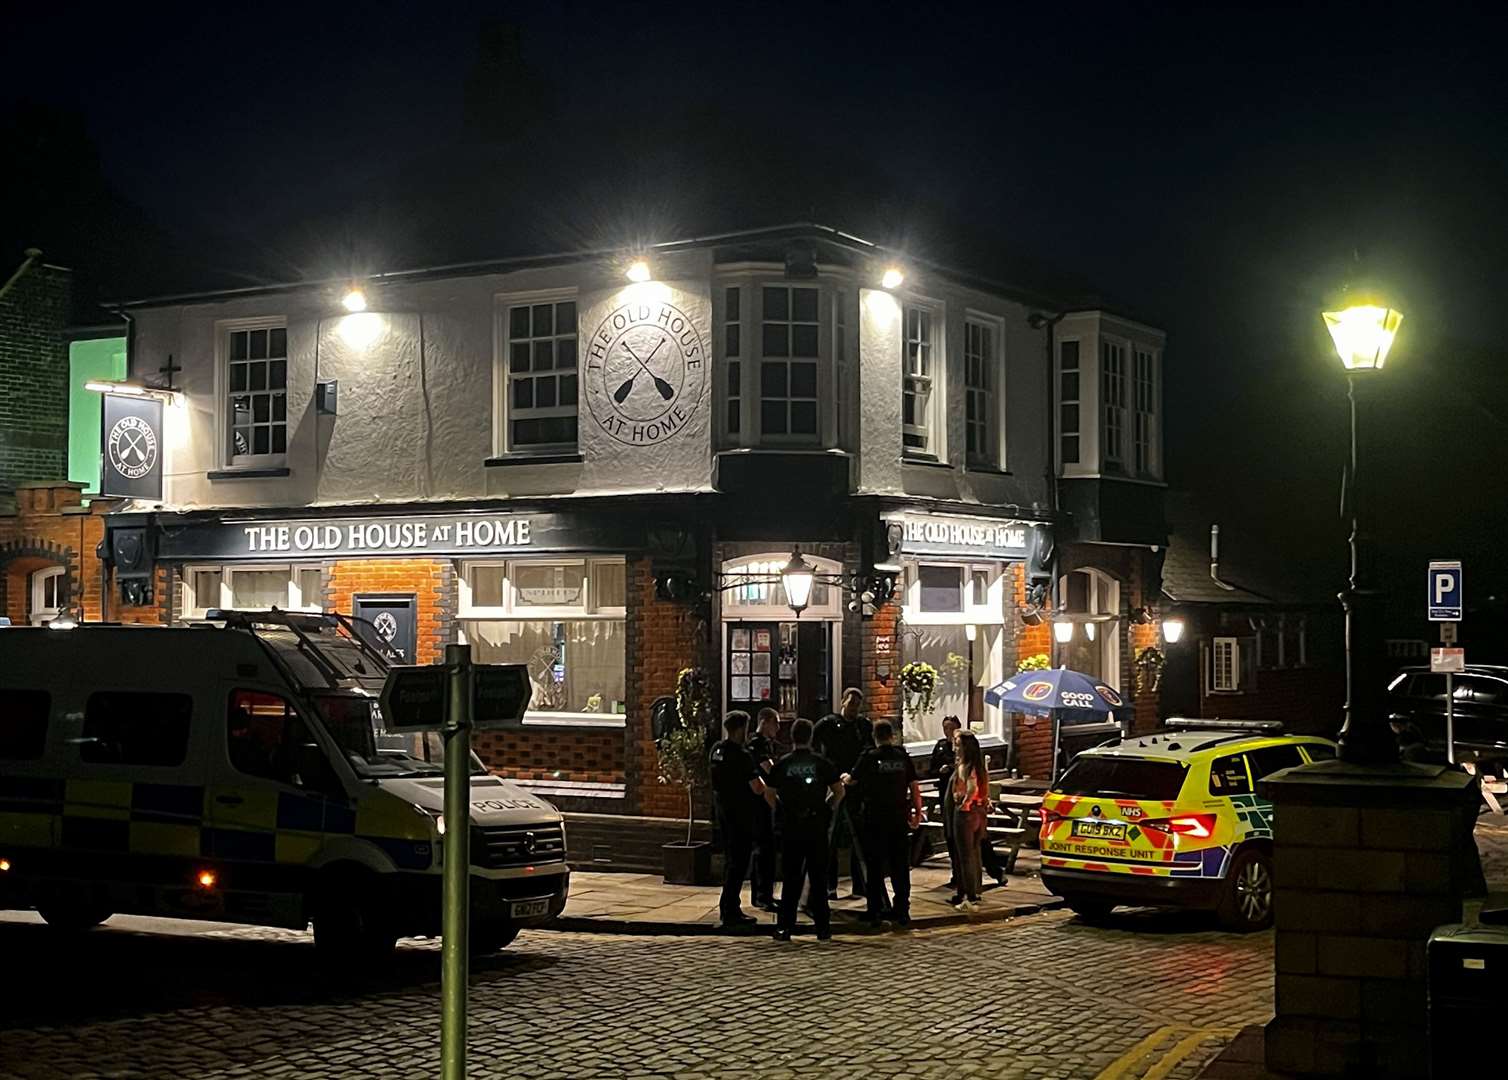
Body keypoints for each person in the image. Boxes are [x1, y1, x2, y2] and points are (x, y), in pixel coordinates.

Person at [767, 717, 845, 941]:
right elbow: (839, 791)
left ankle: (785, 927)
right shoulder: (821, 763)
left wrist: (781, 810)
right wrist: (828, 808)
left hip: (792, 826)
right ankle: (823, 928)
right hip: (816, 825)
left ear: (792, 737)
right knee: (818, 878)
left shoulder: (782, 764)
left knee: (791, 878)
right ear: (810, 737)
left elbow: (769, 793)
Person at [847, 720, 922, 926]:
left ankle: (875, 911)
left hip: (875, 818)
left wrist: (844, 778)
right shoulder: (902, 756)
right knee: (900, 866)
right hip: (898, 818)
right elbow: (914, 786)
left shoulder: (869, 757)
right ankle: (902, 910)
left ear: (874, 736)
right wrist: (917, 812)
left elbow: (852, 780)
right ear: (892, 735)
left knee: (875, 866)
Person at [708, 711, 768, 928]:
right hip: (740, 815)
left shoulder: (716, 750)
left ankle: (728, 907)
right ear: (741, 728)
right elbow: (757, 786)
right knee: (739, 863)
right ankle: (731, 910)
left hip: (722, 813)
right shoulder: (741, 755)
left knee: (730, 862)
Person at [813, 688, 872, 900]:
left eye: (857, 705)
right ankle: (830, 885)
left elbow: (869, 754)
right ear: (842, 702)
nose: (854, 708)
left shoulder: (864, 726)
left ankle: (860, 885)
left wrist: (857, 776)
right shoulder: (827, 724)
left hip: (856, 786)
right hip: (833, 785)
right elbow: (815, 750)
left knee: (859, 836)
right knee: (832, 836)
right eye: (851, 703)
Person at [949, 730, 992, 910]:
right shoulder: (979, 765)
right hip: (979, 812)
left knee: (964, 854)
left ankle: (968, 894)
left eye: (957, 742)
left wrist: (964, 804)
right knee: (975, 852)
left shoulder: (965, 766)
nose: (955, 745)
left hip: (966, 814)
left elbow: (971, 787)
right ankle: (976, 890)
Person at [746, 708, 782, 911]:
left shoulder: (766, 744)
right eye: (775, 723)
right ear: (765, 721)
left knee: (767, 849)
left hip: (767, 801)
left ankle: (765, 894)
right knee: (763, 849)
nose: (778, 727)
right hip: (759, 803)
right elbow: (770, 770)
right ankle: (761, 896)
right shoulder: (757, 744)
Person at [930, 715, 962, 888]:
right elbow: (931, 769)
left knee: (964, 838)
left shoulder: (964, 746)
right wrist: (939, 770)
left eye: (951, 728)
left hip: (961, 797)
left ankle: (993, 871)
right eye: (945, 728)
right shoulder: (940, 746)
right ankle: (956, 873)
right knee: (950, 834)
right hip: (945, 795)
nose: (948, 732)